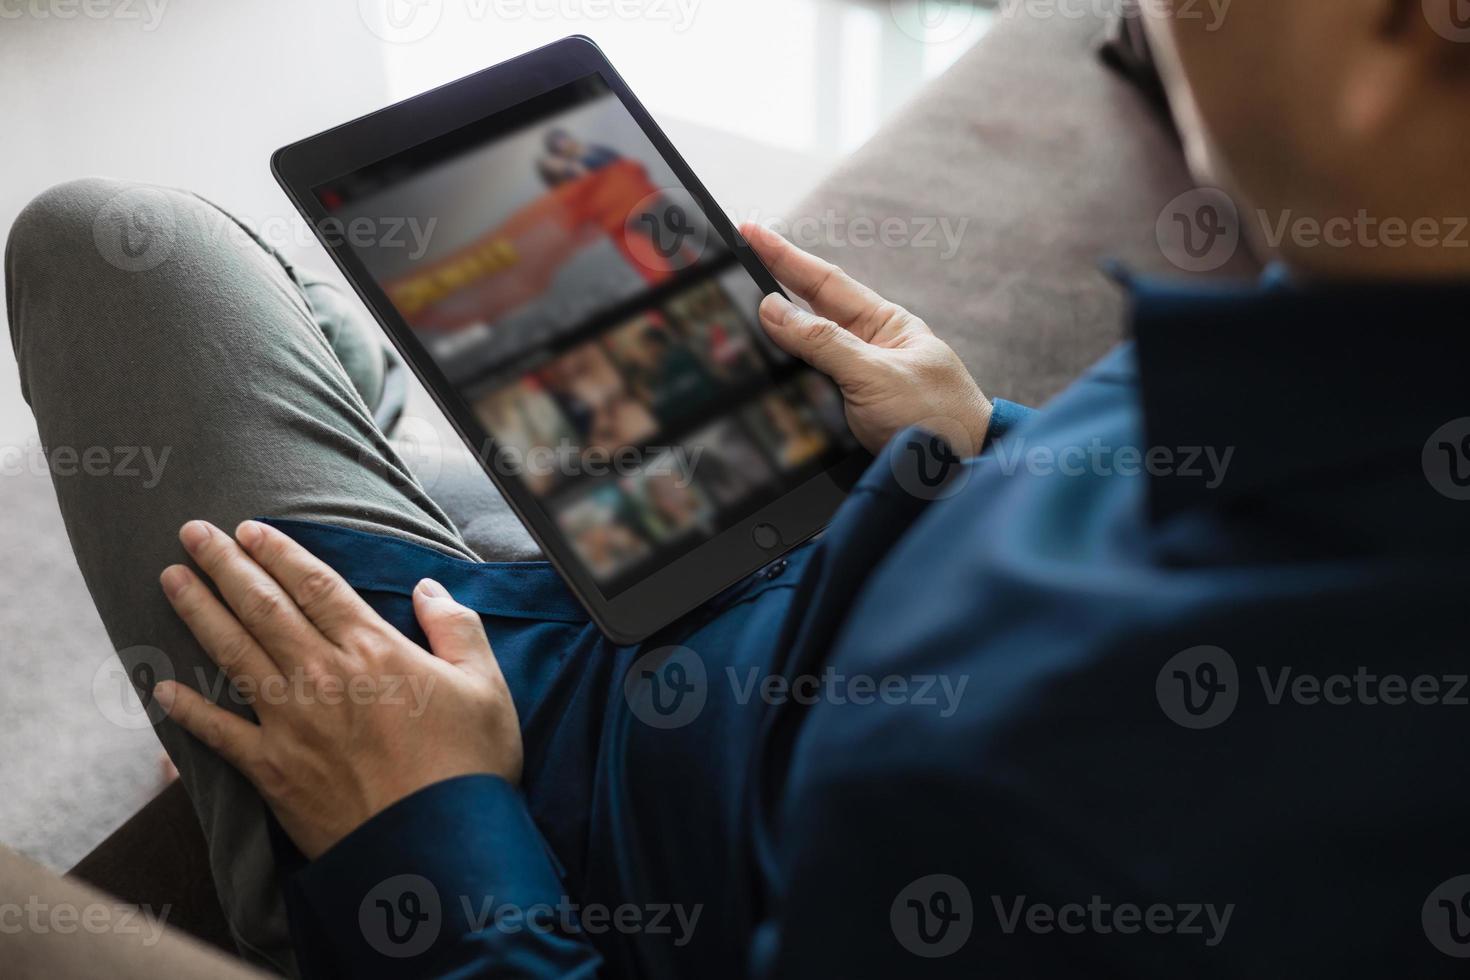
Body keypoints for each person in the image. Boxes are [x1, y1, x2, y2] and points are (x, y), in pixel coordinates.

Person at [7, 0, 1470, 975]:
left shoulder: (1019, 799)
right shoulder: (1361, 306)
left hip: (530, 787)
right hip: (784, 552)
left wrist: (423, 817)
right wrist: (979, 448)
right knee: (455, 338)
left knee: (115, 241)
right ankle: (416, 465)